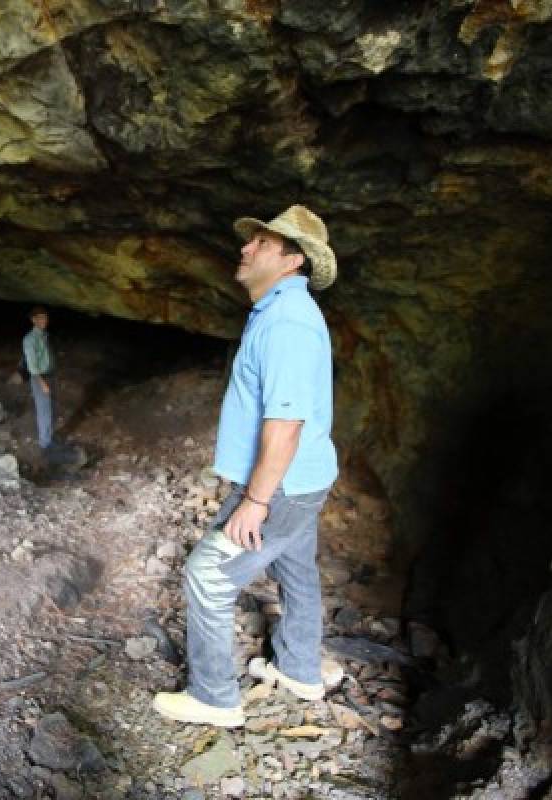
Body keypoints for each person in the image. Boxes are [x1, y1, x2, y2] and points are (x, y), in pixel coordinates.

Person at [152, 205, 340, 727]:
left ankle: (214, 697)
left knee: (207, 577)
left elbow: (285, 422)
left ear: (292, 259)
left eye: (260, 243)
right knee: (297, 570)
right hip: (302, 482)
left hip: (280, 488)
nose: (245, 248)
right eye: (250, 241)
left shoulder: (286, 322)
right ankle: (301, 670)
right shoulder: (280, 312)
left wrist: (255, 502)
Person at [22, 306, 58, 459]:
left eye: (45, 317)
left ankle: (48, 439)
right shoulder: (30, 339)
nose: (44, 321)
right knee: (43, 410)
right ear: (33, 320)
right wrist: (42, 383)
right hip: (39, 378)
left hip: (48, 376)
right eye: (40, 318)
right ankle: (45, 445)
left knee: (49, 409)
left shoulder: (44, 335)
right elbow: (32, 366)